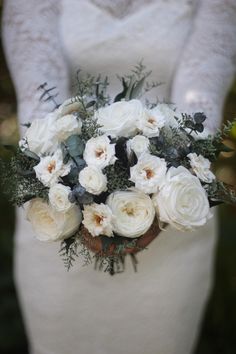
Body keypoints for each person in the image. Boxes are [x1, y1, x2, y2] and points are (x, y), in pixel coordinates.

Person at [2, 1, 236, 353]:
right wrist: (75, 201)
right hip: (59, 209)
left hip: (171, 212)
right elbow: (41, 111)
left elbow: (199, 114)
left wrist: (161, 205)